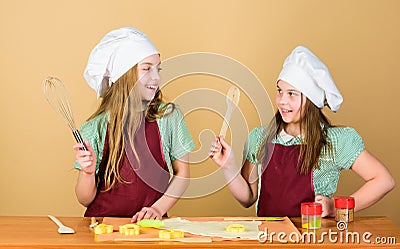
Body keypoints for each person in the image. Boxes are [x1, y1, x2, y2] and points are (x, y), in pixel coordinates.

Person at [210, 46, 395, 217]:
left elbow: (383, 180)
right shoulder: (259, 138)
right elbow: (248, 198)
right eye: (280, 91)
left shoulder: (335, 142)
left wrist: (334, 207)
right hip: (269, 239)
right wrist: (228, 166)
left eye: (292, 94)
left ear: (312, 101)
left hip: (313, 238)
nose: (282, 101)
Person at [73, 27, 194, 222]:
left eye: (158, 69)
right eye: (147, 68)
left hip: (151, 226)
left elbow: (183, 174)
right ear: (124, 75)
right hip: (103, 227)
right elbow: (84, 199)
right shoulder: (95, 127)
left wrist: (157, 209)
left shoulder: (169, 117)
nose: (156, 77)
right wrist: (88, 172)